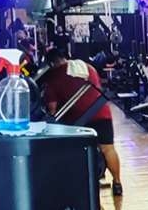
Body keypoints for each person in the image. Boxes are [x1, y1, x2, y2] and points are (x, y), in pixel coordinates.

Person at [41, 49, 124, 197]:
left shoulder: (53, 78)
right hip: (101, 112)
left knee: (81, 152)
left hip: (79, 120)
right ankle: (117, 184)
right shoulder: (87, 67)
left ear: (52, 64)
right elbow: (97, 87)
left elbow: (52, 109)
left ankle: (85, 182)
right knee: (108, 149)